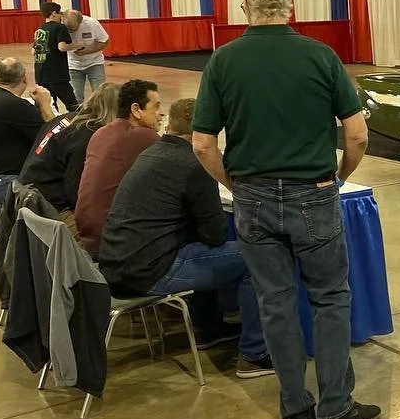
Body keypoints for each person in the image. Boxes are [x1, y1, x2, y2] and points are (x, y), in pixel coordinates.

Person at [192, 0, 381, 419]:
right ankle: (335, 406)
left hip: (254, 197)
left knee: (274, 302)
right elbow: (357, 134)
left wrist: (234, 184)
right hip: (312, 194)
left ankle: (295, 406)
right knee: (331, 298)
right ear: (290, 5)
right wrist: (338, 178)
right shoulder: (320, 57)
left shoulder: (223, 62)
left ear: (244, 8)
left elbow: (201, 143)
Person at [99, 99, 271, 366]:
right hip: (149, 273)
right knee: (259, 257)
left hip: (116, 265)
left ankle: (207, 328)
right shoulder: (194, 164)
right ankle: (255, 352)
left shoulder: (152, 153)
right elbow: (214, 234)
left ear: (171, 124)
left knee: (199, 246)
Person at [75, 78, 161, 255]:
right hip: (113, 242)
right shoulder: (146, 137)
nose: (161, 113)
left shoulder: (101, 132)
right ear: (136, 109)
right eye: (156, 107)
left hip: (87, 234)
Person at [19, 82, 120, 230]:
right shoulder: (88, 135)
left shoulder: (64, 120)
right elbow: (77, 191)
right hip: (48, 210)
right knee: (107, 232)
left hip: (28, 198)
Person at [0, 58, 54, 203]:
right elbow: (54, 138)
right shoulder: (15, 105)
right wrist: (45, 105)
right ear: (24, 78)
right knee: (58, 188)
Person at [32, 1, 78, 112]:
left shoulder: (40, 29)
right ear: (53, 13)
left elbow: (33, 51)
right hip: (57, 73)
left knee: (49, 106)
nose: (61, 16)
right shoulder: (59, 27)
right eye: (59, 13)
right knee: (72, 105)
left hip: (40, 72)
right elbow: (62, 47)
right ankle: (78, 126)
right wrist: (76, 45)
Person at [63, 9, 110, 103]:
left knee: (99, 95)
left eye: (73, 28)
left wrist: (88, 51)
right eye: (68, 28)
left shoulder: (92, 23)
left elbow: (105, 41)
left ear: (81, 22)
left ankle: (100, 116)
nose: (70, 31)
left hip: (94, 63)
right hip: (73, 65)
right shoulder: (60, 26)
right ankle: (77, 116)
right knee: (76, 97)